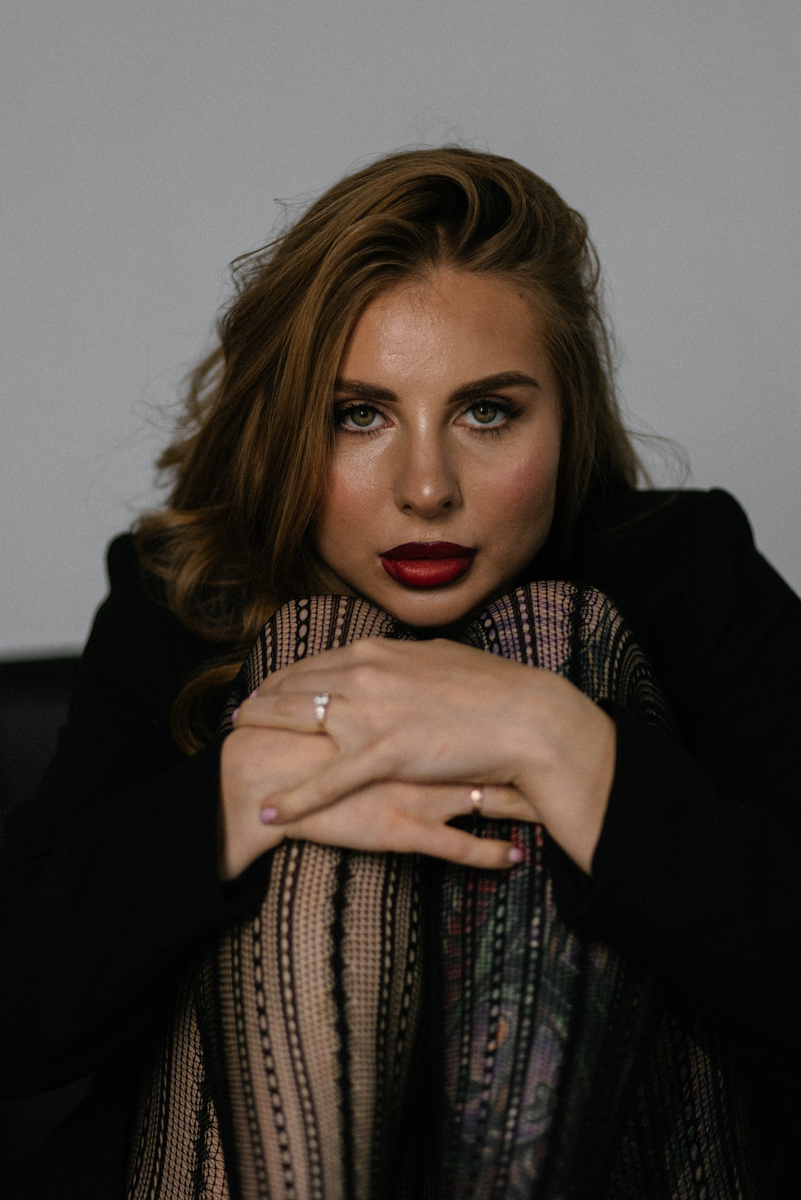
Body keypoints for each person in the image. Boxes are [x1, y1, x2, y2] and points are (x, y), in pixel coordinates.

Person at [1, 147, 799, 1199]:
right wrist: (239, 798)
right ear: (287, 426)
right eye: (359, 415)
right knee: (311, 653)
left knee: (550, 631)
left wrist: (565, 745)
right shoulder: (184, 603)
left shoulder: (683, 574)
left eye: (487, 412)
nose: (426, 487)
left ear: (567, 416)